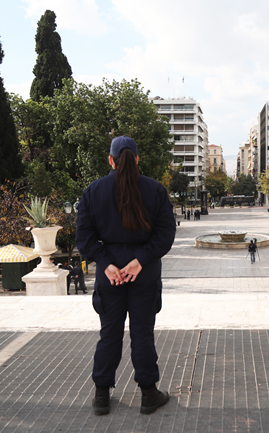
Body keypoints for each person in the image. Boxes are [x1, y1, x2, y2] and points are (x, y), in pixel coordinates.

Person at [76, 136, 176, 416]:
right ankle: (148, 394)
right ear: (137, 159)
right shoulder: (155, 190)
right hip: (143, 274)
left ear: (110, 160)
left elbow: (84, 238)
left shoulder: (93, 191)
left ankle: (101, 396)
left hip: (110, 275)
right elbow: (166, 235)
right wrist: (140, 260)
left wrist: (106, 263)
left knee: (109, 333)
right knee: (142, 334)